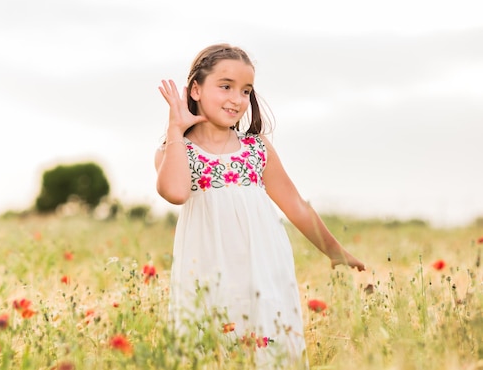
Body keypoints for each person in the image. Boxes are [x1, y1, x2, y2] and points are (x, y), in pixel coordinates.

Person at [154, 43, 365, 367]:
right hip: (208, 267)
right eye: (225, 86)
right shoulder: (177, 150)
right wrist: (175, 128)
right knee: (211, 346)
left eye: (245, 91)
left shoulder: (256, 148)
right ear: (195, 89)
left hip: (261, 266)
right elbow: (176, 192)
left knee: (265, 343)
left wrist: (336, 252)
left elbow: (295, 204)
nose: (237, 99)